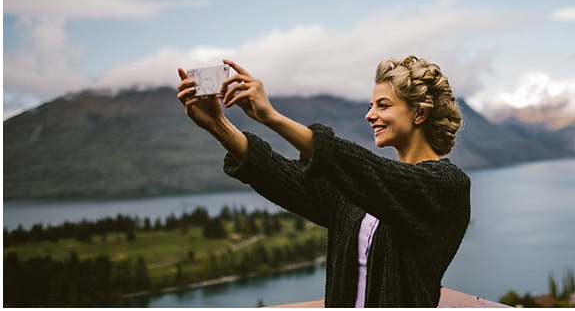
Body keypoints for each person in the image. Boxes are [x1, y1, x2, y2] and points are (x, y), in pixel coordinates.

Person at [176, 56, 471, 307]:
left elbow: (374, 175)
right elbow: (285, 179)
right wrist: (218, 124)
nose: (370, 115)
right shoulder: (366, 190)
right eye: (371, 105)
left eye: (383, 105)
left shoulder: (445, 187)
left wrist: (271, 117)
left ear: (419, 113)